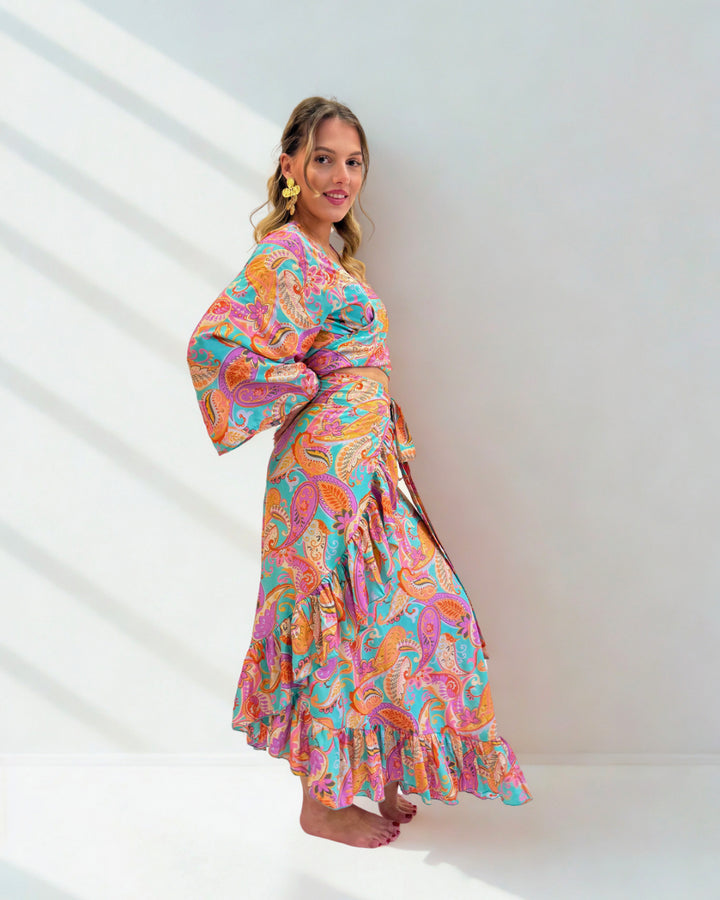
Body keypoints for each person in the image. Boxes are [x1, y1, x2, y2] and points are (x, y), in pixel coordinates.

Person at [187, 96, 533, 849]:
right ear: (290, 167)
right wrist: (310, 387)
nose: (340, 176)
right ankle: (320, 804)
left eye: (352, 161)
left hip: (368, 468)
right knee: (330, 621)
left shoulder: (333, 258)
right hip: (322, 475)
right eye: (323, 159)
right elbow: (214, 346)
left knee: (408, 612)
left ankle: (373, 770)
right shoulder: (284, 256)